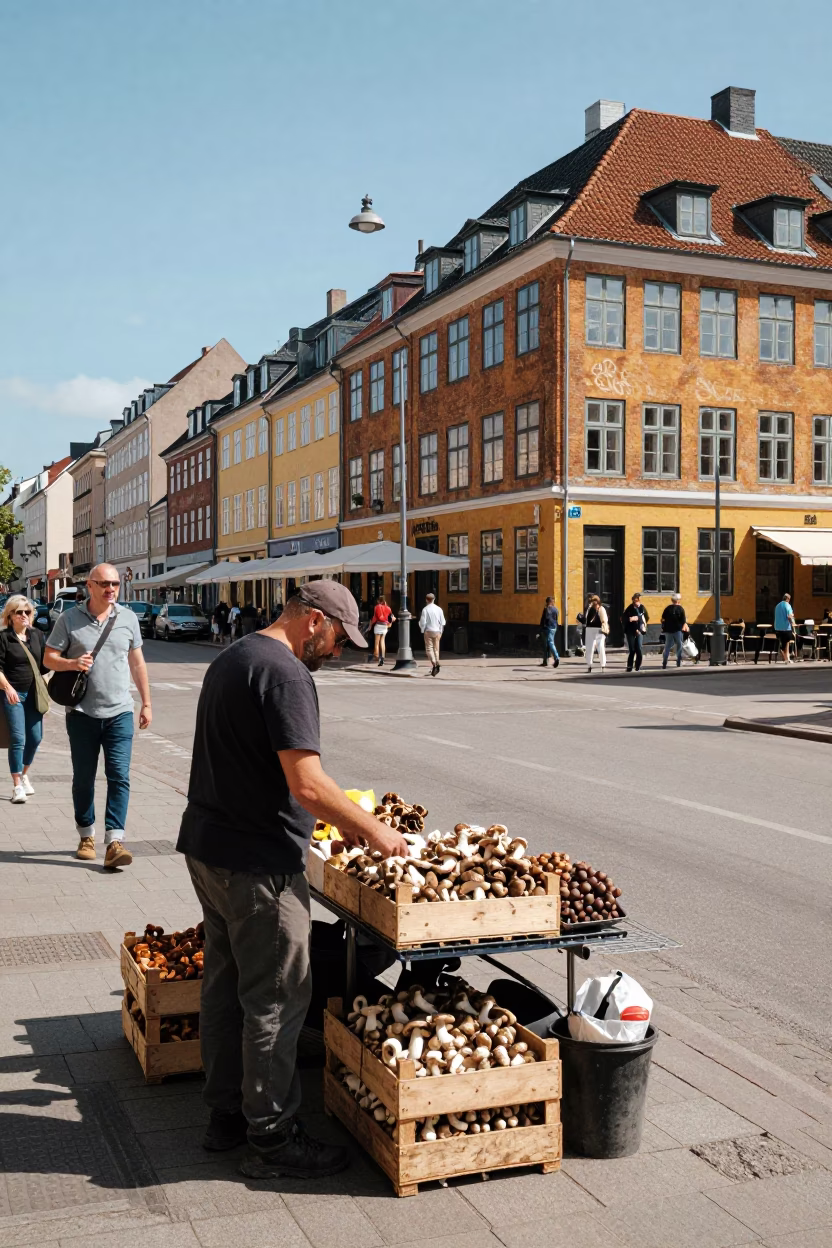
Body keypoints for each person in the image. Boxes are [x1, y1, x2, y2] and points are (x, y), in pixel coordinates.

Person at [177, 581, 409, 1179]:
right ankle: (274, 1138)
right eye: (336, 637)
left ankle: (225, 1117)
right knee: (276, 999)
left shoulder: (234, 656)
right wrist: (373, 830)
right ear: (312, 621)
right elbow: (307, 784)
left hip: (209, 847)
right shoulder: (285, 674)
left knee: (225, 987)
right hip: (258, 863)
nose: (335, 650)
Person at [44, 564, 152, 869]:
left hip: (119, 712)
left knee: (119, 776)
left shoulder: (128, 618)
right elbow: (49, 657)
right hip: (82, 713)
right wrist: (73, 663)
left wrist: (146, 703)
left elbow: (138, 663)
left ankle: (115, 840)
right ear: (89, 586)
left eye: (115, 584)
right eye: (104, 583)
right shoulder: (69, 618)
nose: (111, 589)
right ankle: (86, 834)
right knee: (84, 779)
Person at [0, 596, 47, 804]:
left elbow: (45, 664)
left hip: (34, 694)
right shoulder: (4, 638)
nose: (23, 616)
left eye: (27, 612)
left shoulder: (37, 635)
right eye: (19, 612)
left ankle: (24, 772)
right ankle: (17, 785)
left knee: (35, 737)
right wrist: (7, 687)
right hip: (13, 693)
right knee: (18, 738)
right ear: (10, 616)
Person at [419, 592, 446, 676]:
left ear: (426, 600)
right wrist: (441, 631)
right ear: (434, 599)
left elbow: (423, 622)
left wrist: (422, 630)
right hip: (437, 631)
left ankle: (434, 663)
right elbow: (442, 622)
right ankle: (437, 662)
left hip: (428, 630)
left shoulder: (425, 609)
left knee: (429, 649)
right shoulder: (439, 609)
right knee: (436, 649)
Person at [621, 593, 649, 673]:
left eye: (638, 600)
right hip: (630, 631)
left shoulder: (642, 608)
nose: (637, 602)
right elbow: (624, 619)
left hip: (639, 631)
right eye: (636, 600)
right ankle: (629, 666)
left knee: (639, 649)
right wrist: (631, 620)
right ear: (633, 600)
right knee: (632, 649)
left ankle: (637, 666)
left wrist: (639, 620)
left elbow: (646, 617)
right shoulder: (629, 609)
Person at [661, 592, 689, 669]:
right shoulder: (681, 609)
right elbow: (683, 621)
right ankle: (678, 661)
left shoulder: (667, 608)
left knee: (667, 646)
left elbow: (663, 619)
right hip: (677, 630)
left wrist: (664, 626)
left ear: (672, 600)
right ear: (679, 600)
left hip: (668, 630)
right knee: (679, 645)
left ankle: (664, 662)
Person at [584, 594, 608, 673]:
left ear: (598, 602)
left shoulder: (601, 609)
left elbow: (604, 620)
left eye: (595, 601)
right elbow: (586, 618)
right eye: (592, 601)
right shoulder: (589, 609)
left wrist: (604, 629)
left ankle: (603, 665)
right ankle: (589, 665)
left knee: (600, 647)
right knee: (589, 648)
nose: (593, 603)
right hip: (590, 629)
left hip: (599, 630)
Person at [369, 595, 396, 667]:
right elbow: (391, 617)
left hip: (378, 625)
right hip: (385, 626)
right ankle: (382, 658)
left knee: (376, 642)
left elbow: (375, 617)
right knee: (382, 641)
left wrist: (371, 624)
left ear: (378, 601)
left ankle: (376, 656)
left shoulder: (377, 607)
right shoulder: (388, 608)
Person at [774, 592, 796, 664]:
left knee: (782, 642)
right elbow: (789, 616)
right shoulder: (788, 605)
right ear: (788, 599)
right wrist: (793, 622)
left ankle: (784, 655)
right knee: (787, 642)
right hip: (786, 628)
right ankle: (787, 658)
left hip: (777, 628)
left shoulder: (777, 606)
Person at [539, 597, 560, 668]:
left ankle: (556, 657)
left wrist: (541, 628)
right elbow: (556, 618)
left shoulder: (546, 609)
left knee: (548, 643)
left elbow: (544, 619)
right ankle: (545, 661)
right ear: (552, 602)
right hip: (554, 627)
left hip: (547, 628)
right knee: (548, 643)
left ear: (547, 602)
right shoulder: (556, 609)